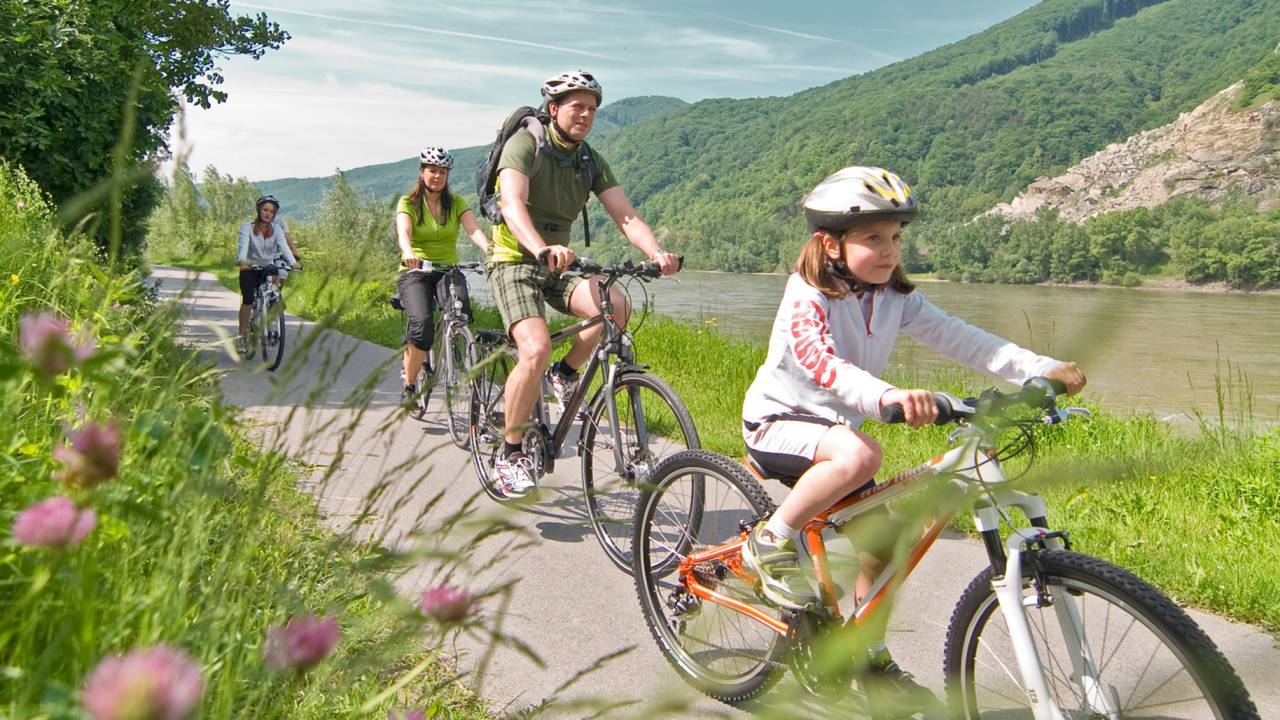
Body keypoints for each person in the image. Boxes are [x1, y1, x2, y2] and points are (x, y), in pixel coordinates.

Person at [739, 166, 1087, 712]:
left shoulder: (894, 296)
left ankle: (867, 656)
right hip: (779, 422)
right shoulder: (807, 295)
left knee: (882, 549)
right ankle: (769, 543)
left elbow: (963, 338)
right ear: (827, 243)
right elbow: (821, 364)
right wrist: (889, 396)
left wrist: (1037, 368)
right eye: (873, 238)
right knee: (863, 452)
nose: (889, 250)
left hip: (839, 437)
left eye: (896, 237)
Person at [484, 70, 680, 499]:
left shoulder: (588, 159)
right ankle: (511, 452)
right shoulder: (527, 144)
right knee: (533, 348)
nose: (586, 115)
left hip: (559, 263)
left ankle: (565, 372)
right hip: (514, 260)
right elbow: (511, 203)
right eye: (578, 107)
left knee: (616, 305)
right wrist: (539, 247)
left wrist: (656, 253)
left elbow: (625, 215)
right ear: (554, 109)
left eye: (592, 109)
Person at [396, 146, 491, 404]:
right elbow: (404, 233)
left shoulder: (457, 203)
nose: (437, 176)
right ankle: (410, 383)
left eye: (443, 172)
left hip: (447, 270)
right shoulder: (408, 202)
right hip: (416, 270)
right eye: (432, 171)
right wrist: (407, 252)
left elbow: (473, 230)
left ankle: (454, 350)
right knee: (422, 323)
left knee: (461, 313)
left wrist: (490, 250)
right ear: (422, 172)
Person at [237, 194, 299, 349]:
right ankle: (242, 336)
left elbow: (284, 246)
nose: (268, 214)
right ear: (259, 210)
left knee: (274, 291)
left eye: (271, 211)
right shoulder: (247, 227)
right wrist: (242, 261)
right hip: (249, 266)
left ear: (274, 214)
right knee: (248, 299)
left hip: (268, 266)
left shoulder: (277, 229)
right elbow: (243, 246)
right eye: (265, 210)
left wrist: (293, 262)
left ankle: (269, 321)